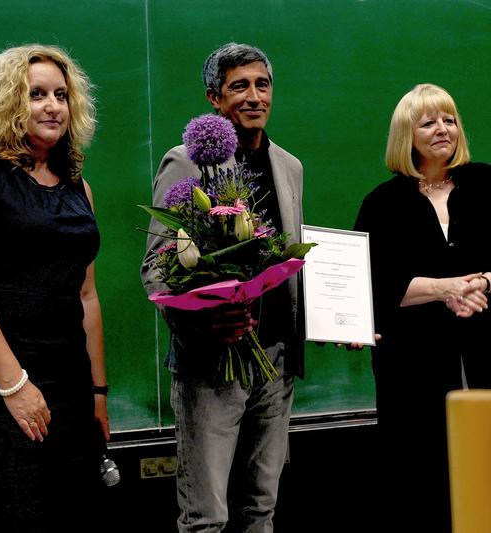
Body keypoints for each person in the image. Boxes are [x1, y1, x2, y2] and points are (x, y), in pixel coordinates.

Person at [0, 44, 110, 530]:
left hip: (69, 387)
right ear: (7, 102)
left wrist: (97, 391)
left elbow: (86, 295)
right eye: (35, 95)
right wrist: (15, 385)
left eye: (61, 94)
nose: (52, 105)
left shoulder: (78, 186)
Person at [353, 83, 491, 532]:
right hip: (412, 364)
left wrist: (477, 284)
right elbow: (373, 283)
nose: (443, 129)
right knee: (421, 476)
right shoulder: (382, 203)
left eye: (450, 119)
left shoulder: (488, 182)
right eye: (429, 121)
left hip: (487, 348)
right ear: (405, 135)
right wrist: (443, 288)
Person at [141, 42, 304, 532]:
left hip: (274, 363)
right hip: (211, 367)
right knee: (206, 516)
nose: (254, 96)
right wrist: (207, 317)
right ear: (215, 97)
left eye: (262, 84)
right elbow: (156, 268)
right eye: (239, 86)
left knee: (262, 509)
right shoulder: (187, 161)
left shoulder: (289, 167)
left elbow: (290, 260)